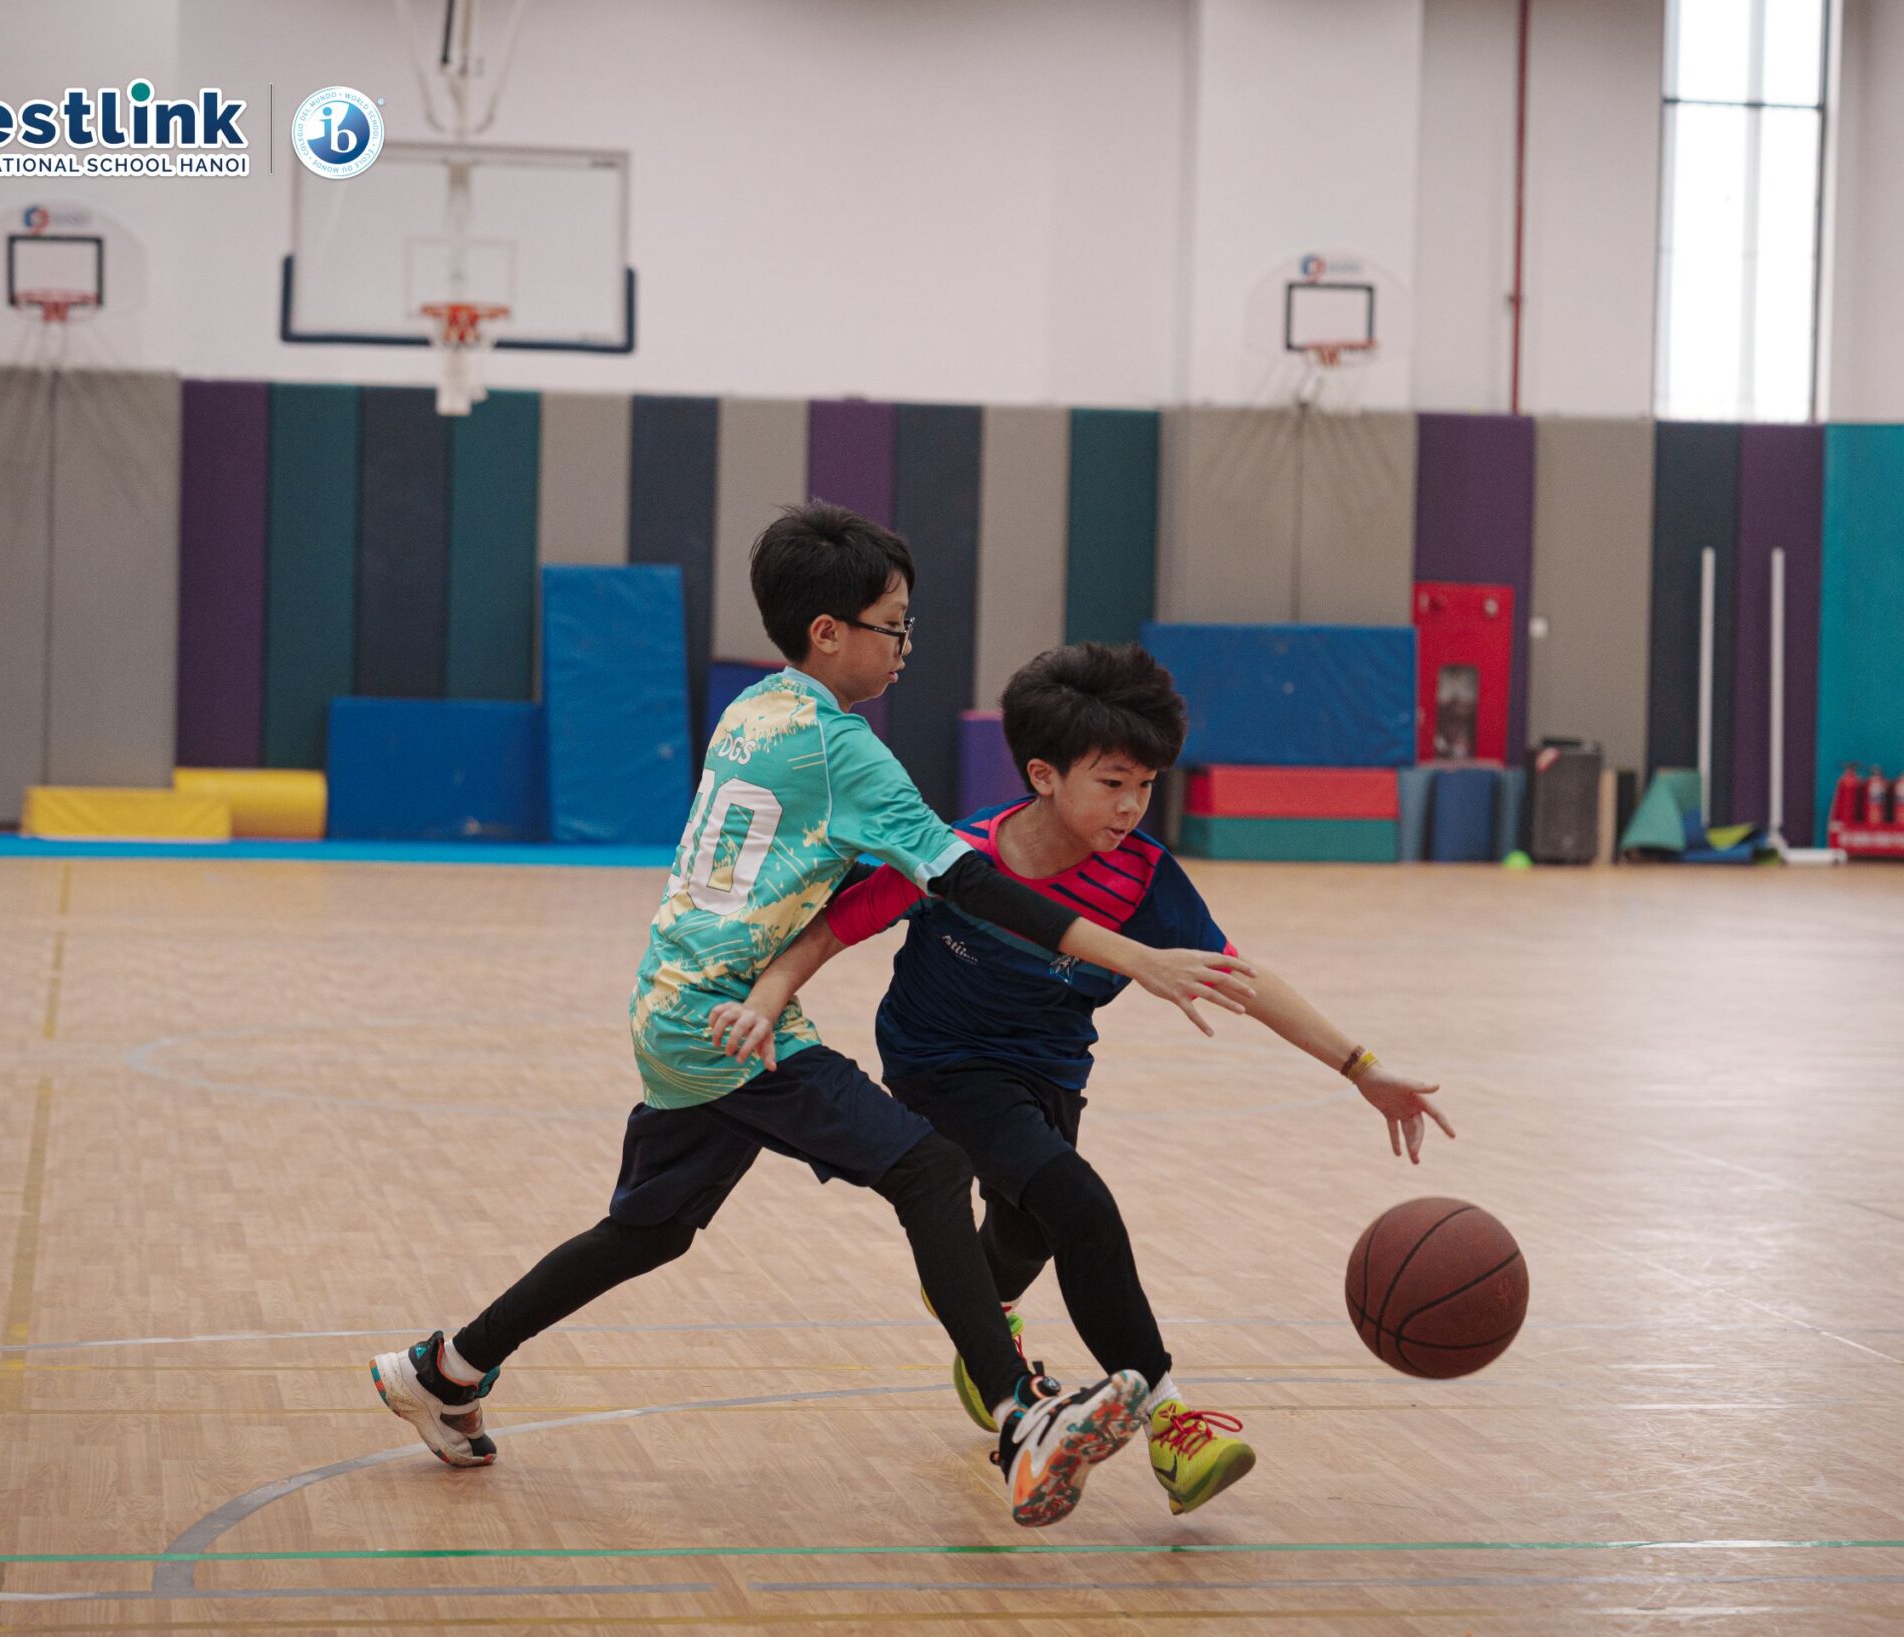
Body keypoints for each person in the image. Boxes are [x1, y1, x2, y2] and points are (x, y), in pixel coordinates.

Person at [370, 510, 1255, 1529]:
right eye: (893, 626)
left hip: (677, 1003)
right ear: (828, 631)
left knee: (647, 1229)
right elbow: (971, 880)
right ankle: (1019, 1417)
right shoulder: (847, 754)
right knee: (927, 1166)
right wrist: (1129, 953)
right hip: (729, 1023)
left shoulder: (754, 709)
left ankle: (444, 1367)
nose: (903, 647)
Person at [706, 641, 1455, 1516]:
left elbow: (1240, 981)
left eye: (1146, 785)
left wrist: (1362, 1068)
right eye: (1112, 782)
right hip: (940, 1067)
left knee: (1032, 1232)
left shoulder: (1143, 874)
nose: (1133, 806)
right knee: (1080, 1201)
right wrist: (766, 998)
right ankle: (1170, 1421)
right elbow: (833, 929)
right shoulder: (956, 854)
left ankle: (976, 1298)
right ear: (1044, 775)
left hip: (1051, 1070)